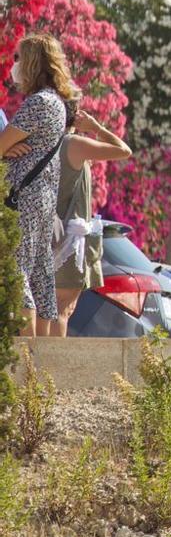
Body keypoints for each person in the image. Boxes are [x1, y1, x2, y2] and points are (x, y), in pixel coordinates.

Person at [0, 35, 78, 336]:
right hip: (43, 197)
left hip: (24, 197)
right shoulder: (56, 102)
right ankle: (44, 356)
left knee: (19, 272)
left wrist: (5, 148)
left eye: (19, 58)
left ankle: (27, 351)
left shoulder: (38, 103)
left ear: (33, 62)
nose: (15, 66)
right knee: (41, 273)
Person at [50, 106, 132, 333]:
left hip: (46, 233)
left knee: (43, 309)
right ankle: (49, 367)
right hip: (68, 240)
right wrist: (95, 127)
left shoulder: (43, 143)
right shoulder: (73, 144)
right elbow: (123, 150)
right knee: (61, 309)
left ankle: (36, 365)